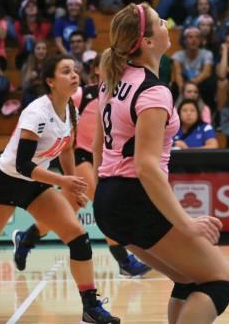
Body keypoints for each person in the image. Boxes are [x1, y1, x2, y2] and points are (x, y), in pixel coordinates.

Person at [93, 3, 229, 322]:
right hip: (133, 197)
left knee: (188, 279)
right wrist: (186, 223)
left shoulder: (112, 81)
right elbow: (145, 167)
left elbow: (96, 147)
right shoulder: (152, 90)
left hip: (109, 198)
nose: (167, 26)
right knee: (220, 281)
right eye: (160, 22)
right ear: (146, 40)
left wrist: (100, 193)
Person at [0, 54, 119, 323]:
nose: (74, 75)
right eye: (66, 71)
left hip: (34, 184)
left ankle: (90, 308)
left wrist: (73, 183)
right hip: (6, 182)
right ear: (50, 81)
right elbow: (22, 164)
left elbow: (67, 148)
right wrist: (63, 182)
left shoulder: (70, 109)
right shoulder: (36, 112)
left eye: (75, 71)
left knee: (78, 237)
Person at [12, 60, 152, 278]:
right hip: (78, 155)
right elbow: (55, 111)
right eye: (110, 64)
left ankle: (26, 238)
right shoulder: (82, 95)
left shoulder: (125, 97)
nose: (118, 68)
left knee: (65, 212)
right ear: (97, 70)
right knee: (104, 202)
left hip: (104, 158)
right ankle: (124, 261)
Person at [172, 26, 216, 112]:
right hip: (184, 83)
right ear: (184, 41)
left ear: (200, 41)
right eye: (190, 37)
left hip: (200, 82)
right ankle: (175, 113)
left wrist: (191, 86)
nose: (194, 40)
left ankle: (208, 113)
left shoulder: (207, 54)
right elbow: (177, 74)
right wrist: (184, 89)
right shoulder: (177, 55)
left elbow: (206, 73)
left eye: (197, 37)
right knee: (174, 86)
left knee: (210, 83)